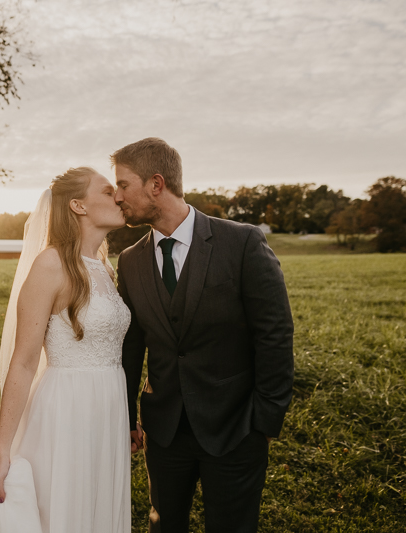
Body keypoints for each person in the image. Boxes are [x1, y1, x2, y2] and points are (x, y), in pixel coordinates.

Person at [113, 138, 295, 533]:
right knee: (164, 524)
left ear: (156, 184)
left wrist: (265, 421)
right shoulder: (129, 261)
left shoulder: (242, 242)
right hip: (163, 431)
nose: (117, 195)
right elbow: (130, 345)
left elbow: (275, 334)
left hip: (236, 427)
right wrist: (127, 415)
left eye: (124, 185)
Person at [0, 167, 132, 533]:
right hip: (67, 411)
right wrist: (2, 452)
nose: (119, 197)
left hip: (108, 406)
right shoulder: (50, 264)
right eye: (108, 192)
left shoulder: (105, 266)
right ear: (78, 205)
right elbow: (25, 361)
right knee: (65, 510)